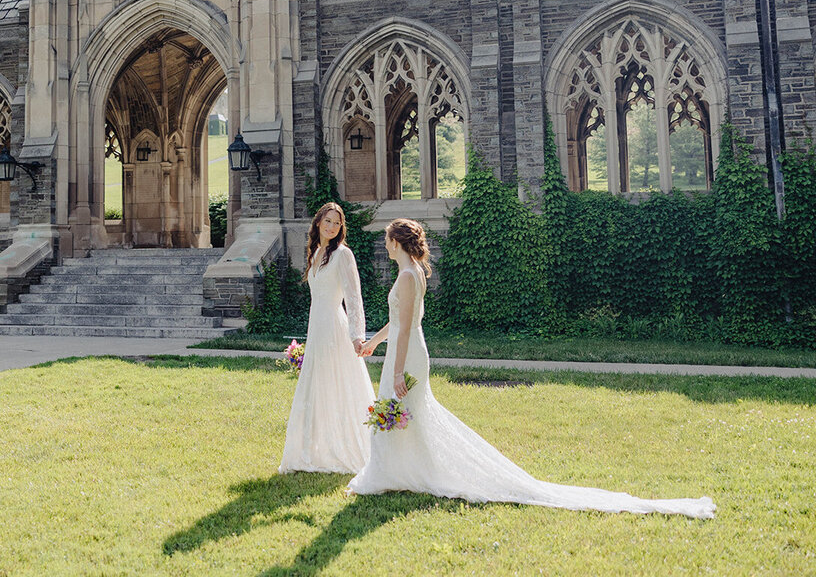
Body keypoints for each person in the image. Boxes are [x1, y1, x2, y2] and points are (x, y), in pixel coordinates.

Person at [346, 218, 716, 518]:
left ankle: (401, 472)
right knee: (408, 414)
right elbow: (398, 323)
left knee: (406, 409)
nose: (385, 245)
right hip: (403, 348)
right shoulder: (411, 272)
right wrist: (376, 343)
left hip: (408, 355)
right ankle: (399, 470)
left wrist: (395, 370)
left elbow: (407, 326)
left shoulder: (410, 276)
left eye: (387, 240)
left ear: (398, 242)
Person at [279, 202, 377, 474]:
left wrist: (357, 336)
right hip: (317, 325)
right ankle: (314, 448)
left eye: (337, 223)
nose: (332, 227)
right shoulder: (315, 252)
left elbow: (353, 297)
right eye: (328, 221)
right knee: (317, 384)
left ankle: (350, 446)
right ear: (318, 222)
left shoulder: (343, 254)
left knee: (340, 381)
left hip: (335, 325)